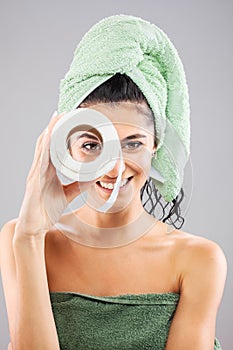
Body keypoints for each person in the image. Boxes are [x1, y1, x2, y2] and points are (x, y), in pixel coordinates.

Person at [0, 15, 227, 350]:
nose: (114, 168)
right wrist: (30, 236)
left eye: (133, 143)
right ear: (66, 148)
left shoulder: (198, 259)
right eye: (92, 145)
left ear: (155, 145)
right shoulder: (22, 239)